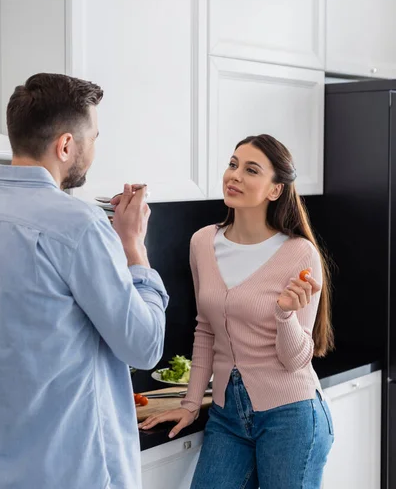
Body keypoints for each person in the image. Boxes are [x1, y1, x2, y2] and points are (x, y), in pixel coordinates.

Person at [0, 73, 168, 489]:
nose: (93, 149)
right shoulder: (78, 225)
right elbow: (143, 346)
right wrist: (134, 248)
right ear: (66, 145)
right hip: (77, 470)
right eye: (93, 136)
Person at [140, 134, 334, 489]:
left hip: (291, 415)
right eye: (232, 164)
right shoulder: (202, 242)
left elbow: (297, 359)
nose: (235, 175)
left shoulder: (299, 253)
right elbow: (205, 331)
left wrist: (285, 315)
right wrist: (190, 403)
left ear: (275, 190)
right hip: (227, 417)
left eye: (251, 170)